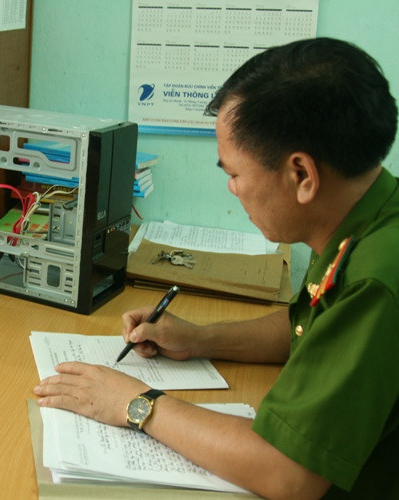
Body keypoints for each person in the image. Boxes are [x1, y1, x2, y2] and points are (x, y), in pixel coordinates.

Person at [34, 37, 398, 499]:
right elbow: (310, 326)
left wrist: (135, 403)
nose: (232, 189)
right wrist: (200, 339)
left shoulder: (376, 279)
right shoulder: (368, 217)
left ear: (302, 175)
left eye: (234, 174)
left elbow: (289, 476)